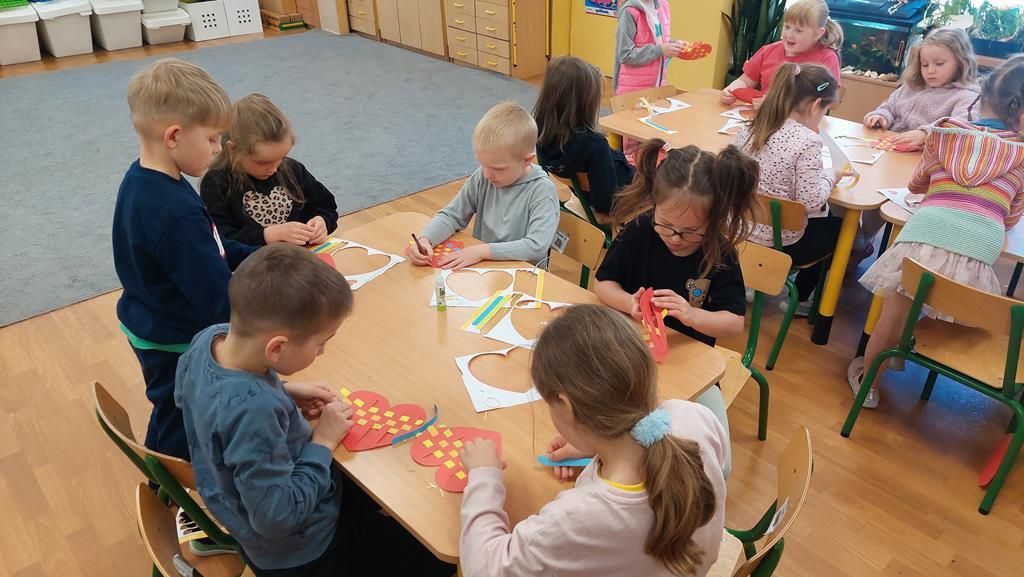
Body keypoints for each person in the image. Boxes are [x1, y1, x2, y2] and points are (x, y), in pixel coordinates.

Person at [175, 244, 455, 577]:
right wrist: (323, 441)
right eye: (321, 342)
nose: (322, 352)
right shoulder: (254, 412)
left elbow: (195, 399)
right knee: (437, 560)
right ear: (277, 348)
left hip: (251, 514)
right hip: (304, 552)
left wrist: (282, 392)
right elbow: (277, 517)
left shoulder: (209, 340)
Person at [458, 305, 729, 577]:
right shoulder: (695, 416)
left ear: (565, 407)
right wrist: (596, 453)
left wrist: (484, 476)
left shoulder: (573, 519)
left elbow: (484, 569)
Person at [849, 57, 1024, 409]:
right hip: (978, 255)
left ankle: (868, 385)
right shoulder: (1021, 156)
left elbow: (917, 184)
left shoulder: (944, 136)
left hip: (922, 239)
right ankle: (906, 349)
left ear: (979, 99)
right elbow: (1011, 216)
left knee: (892, 316)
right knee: (941, 296)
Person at [112, 58, 257, 460]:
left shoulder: (147, 178)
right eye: (212, 138)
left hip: (150, 316)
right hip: (175, 337)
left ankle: (159, 472)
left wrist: (262, 256)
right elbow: (220, 303)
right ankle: (172, 482)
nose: (218, 148)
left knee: (169, 404)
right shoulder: (174, 213)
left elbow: (213, 247)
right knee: (180, 412)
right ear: (174, 136)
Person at [735, 63, 845, 314]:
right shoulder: (808, 141)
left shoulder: (751, 127)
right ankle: (803, 300)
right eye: (825, 110)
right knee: (839, 228)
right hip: (779, 242)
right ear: (816, 105)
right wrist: (830, 176)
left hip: (739, 231)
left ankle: (751, 280)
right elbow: (811, 202)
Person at [406, 101, 559, 269]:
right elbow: (452, 216)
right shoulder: (483, 177)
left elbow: (536, 246)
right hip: (483, 271)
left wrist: (483, 251)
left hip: (523, 276)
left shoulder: (542, 190)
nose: (487, 174)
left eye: (497, 168)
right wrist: (426, 239)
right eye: (482, 164)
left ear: (527, 160)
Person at [201, 93, 339, 247]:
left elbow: (326, 205)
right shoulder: (216, 183)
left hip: (301, 255)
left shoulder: (292, 169)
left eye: (281, 157)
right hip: (254, 261)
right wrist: (268, 235)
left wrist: (322, 221)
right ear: (233, 149)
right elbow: (221, 241)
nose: (274, 168)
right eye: (263, 163)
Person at [535, 56, 634, 215]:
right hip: (627, 195)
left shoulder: (540, 130)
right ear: (584, 103)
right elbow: (605, 204)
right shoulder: (595, 145)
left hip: (588, 192)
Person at [863, 28, 980, 151]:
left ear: (961, 62)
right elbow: (889, 107)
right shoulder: (912, 85)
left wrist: (925, 134)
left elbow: (962, 128)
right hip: (890, 148)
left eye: (939, 63)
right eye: (925, 64)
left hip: (926, 157)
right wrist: (881, 116)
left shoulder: (967, 97)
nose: (930, 70)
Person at [722, 0, 843, 106]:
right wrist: (731, 90)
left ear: (817, 34)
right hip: (763, 119)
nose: (789, 35)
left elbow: (830, 101)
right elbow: (745, 81)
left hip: (801, 122)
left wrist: (776, 105)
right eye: (787, 27)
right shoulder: (767, 51)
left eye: (799, 30)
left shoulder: (827, 57)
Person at [613, 0, 684, 96]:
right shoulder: (629, 11)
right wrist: (660, 50)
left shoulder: (662, 5)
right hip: (633, 90)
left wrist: (674, 45)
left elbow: (658, 41)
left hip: (657, 86)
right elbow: (625, 55)